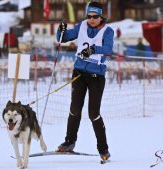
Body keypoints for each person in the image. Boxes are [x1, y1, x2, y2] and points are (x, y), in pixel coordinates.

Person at [56, 2, 114, 162]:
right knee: (74, 109)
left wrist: (94, 49)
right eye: (89, 16)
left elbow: (108, 49)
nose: (92, 19)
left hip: (96, 75)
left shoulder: (107, 31)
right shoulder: (81, 26)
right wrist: (60, 31)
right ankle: (69, 142)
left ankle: (104, 150)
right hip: (79, 72)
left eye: (95, 17)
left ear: (101, 16)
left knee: (93, 114)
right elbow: (63, 38)